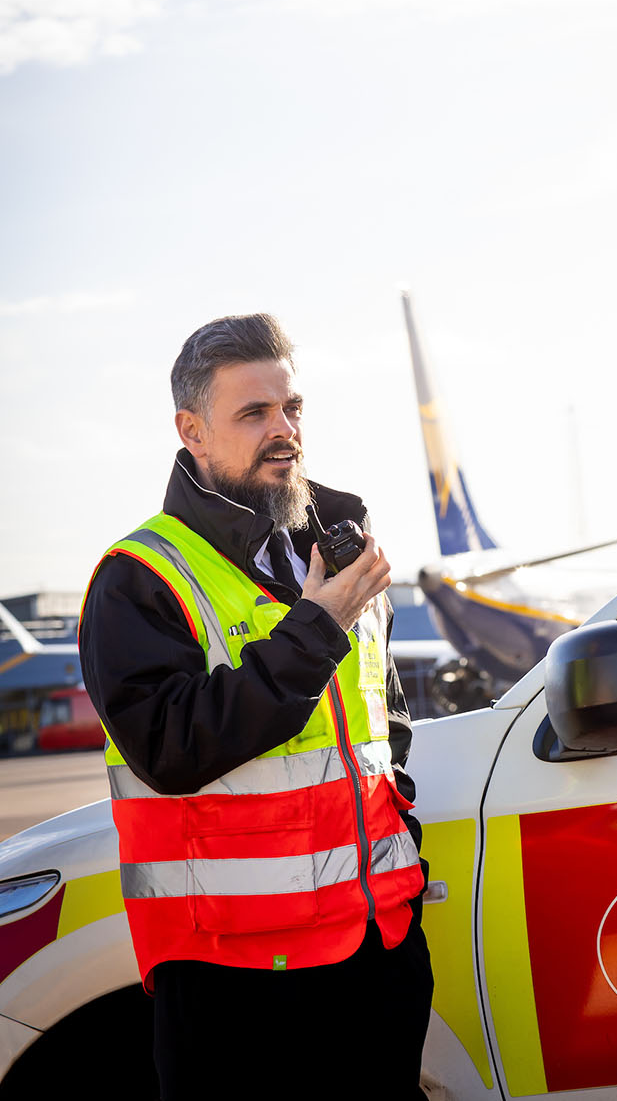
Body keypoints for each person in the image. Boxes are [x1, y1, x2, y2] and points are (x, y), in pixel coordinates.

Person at [79, 314, 432, 1099]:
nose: (286, 431)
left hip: (374, 952)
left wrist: (401, 866)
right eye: (255, 414)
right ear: (192, 431)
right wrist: (314, 631)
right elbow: (170, 746)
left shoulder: (340, 548)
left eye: (292, 408)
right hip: (234, 981)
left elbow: (384, 728)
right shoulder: (140, 577)